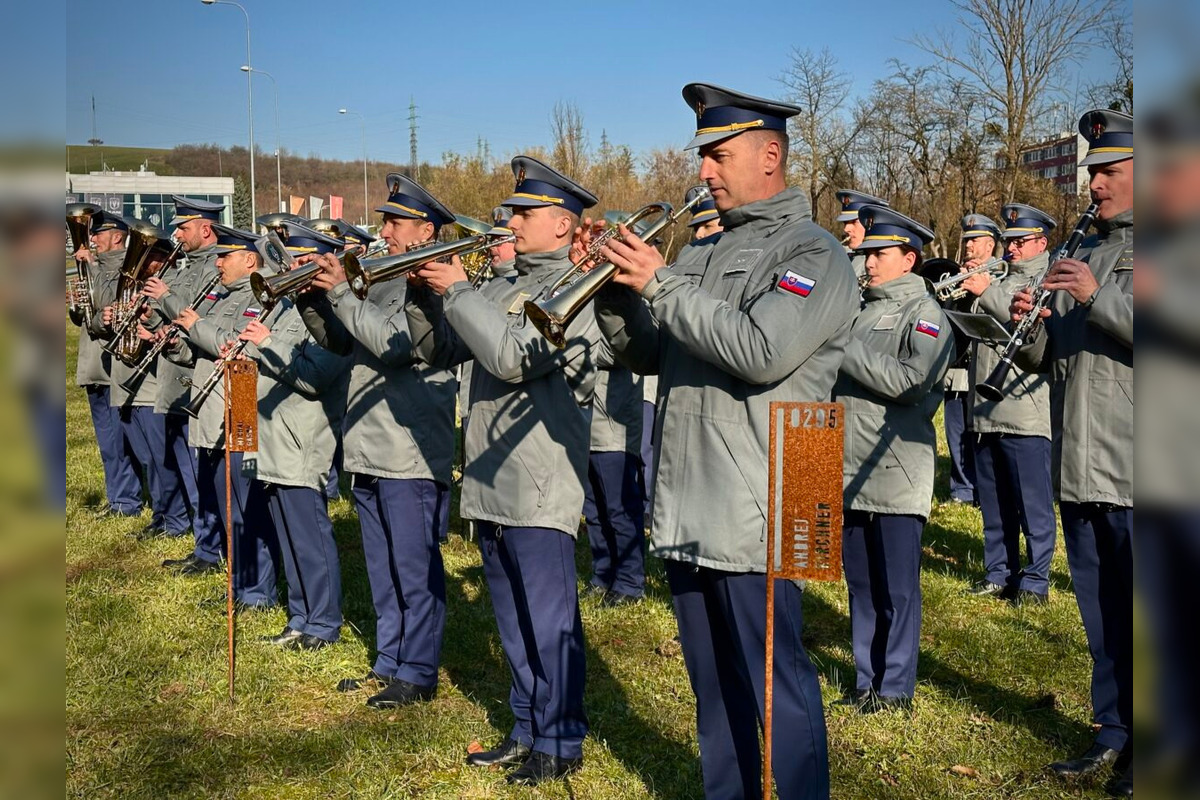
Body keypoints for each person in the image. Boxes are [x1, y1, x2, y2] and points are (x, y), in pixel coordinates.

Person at [594, 83, 859, 800]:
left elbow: (760, 349)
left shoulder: (815, 252)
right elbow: (655, 354)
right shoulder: (706, 251)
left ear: (770, 155)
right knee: (713, 685)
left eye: (718, 153)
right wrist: (617, 295)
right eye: (703, 155)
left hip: (774, 491)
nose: (703, 169)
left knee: (776, 680)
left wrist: (660, 286)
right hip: (695, 493)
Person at [405, 156, 604, 786]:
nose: (510, 221)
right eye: (513, 210)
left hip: (540, 479)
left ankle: (560, 737)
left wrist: (457, 290)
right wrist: (423, 296)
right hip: (492, 478)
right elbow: (435, 351)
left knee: (547, 619)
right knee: (513, 617)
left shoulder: (580, 288)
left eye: (525, 213)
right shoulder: (497, 284)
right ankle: (526, 727)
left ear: (565, 226)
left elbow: (514, 357)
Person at [1009, 108, 1133, 795]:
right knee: (1102, 614)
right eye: (1093, 172)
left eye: (1110, 171)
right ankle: (1112, 733)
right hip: (1082, 463)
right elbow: (1052, 353)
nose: (1095, 184)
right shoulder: (1083, 250)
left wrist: (1098, 297)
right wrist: (1027, 321)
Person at [302, 174, 457, 709]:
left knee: (413, 567)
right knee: (383, 565)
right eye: (385, 220)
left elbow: (393, 346)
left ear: (426, 230)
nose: (383, 230)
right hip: (368, 443)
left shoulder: (430, 283)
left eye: (394, 222)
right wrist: (314, 302)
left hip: (409, 444)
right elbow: (343, 342)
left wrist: (342, 295)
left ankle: (418, 670)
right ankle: (390, 660)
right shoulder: (382, 278)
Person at [834, 205, 953, 713]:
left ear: (909, 258)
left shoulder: (926, 315)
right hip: (845, 465)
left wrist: (841, 346)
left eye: (878, 254)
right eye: (865, 254)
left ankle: (896, 686)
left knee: (897, 587)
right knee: (860, 583)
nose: (868, 263)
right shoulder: (857, 309)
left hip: (895, 468)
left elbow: (910, 381)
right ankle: (867, 680)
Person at [239, 222, 351, 651]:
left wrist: (265, 344)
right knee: (288, 535)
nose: (295, 268)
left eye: (305, 261)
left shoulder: (332, 313)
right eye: (293, 259)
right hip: (272, 437)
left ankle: (323, 622)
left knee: (310, 536)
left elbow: (316, 377)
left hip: (303, 436)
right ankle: (300, 617)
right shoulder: (287, 306)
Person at [160, 224, 279, 611]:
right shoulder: (219, 294)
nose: (218, 262)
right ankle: (238, 581)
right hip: (211, 401)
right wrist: (175, 340)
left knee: (245, 502)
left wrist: (196, 326)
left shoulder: (259, 293)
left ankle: (258, 589)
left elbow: (233, 342)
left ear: (249, 260)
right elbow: (199, 349)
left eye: (225, 256)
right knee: (223, 497)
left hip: (240, 395)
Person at [961, 205, 1057, 604]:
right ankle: (998, 572)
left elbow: (1028, 324)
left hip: (1025, 409)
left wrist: (986, 294)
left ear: (1041, 242)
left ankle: (1035, 581)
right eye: (1009, 241)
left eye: (1021, 241)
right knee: (995, 505)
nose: (1012, 247)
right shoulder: (999, 276)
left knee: (1031, 504)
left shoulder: (1050, 277)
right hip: (985, 408)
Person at [96, 219, 192, 542]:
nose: (141, 262)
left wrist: (149, 324)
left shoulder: (172, 283)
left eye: (149, 256)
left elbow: (175, 321)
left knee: (159, 458)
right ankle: (162, 514)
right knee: (146, 456)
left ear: (163, 258)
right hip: (126, 382)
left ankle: (176, 518)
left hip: (149, 385)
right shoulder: (135, 282)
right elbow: (102, 308)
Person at [143, 196, 225, 566]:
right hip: (175, 371)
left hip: (196, 375)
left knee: (200, 469)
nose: (177, 233)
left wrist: (166, 297)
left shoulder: (216, 267)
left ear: (205, 229)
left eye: (183, 226)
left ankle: (210, 545)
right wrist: (148, 318)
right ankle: (204, 542)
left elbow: (195, 315)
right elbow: (171, 318)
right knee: (189, 462)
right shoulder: (182, 264)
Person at [73, 212, 142, 518]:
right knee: (106, 442)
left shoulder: (127, 268)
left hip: (112, 365)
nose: (93, 240)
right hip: (93, 365)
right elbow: (87, 315)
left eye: (99, 234)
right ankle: (117, 497)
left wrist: (90, 267)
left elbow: (112, 304)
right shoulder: (94, 268)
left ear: (117, 236)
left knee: (119, 441)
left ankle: (126, 500)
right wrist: (76, 304)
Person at [943, 214, 1000, 506]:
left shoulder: (998, 277)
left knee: (979, 434)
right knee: (955, 430)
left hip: (985, 368)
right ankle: (962, 489)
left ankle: (982, 489)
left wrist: (983, 285)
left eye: (974, 240)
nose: (968, 245)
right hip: (958, 369)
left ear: (990, 245)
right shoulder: (959, 274)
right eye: (967, 240)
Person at [581, 357, 645, 606]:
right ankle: (603, 575)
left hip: (614, 423)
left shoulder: (625, 315)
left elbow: (625, 348)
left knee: (619, 509)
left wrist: (576, 340)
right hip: (586, 421)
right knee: (593, 510)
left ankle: (630, 582)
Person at [835, 189, 888, 282]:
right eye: (845, 223)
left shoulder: (883, 265)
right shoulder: (844, 257)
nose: (846, 229)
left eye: (854, 222)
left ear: (871, 223)